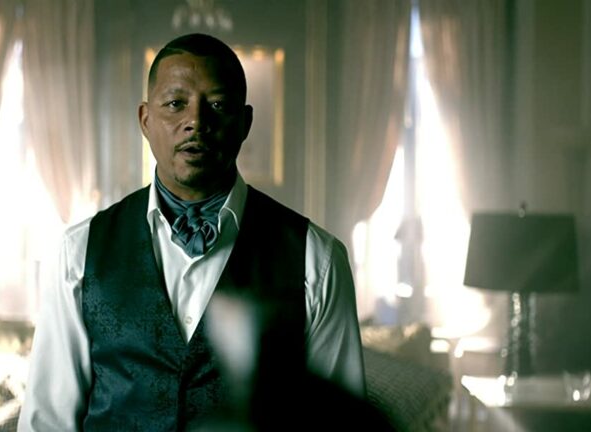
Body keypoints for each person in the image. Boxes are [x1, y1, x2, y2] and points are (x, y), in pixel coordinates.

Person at [19, 33, 367, 431]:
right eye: (175, 104)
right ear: (145, 120)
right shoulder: (79, 252)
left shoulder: (316, 259)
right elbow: (47, 422)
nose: (196, 122)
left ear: (245, 123)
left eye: (217, 105)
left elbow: (341, 425)